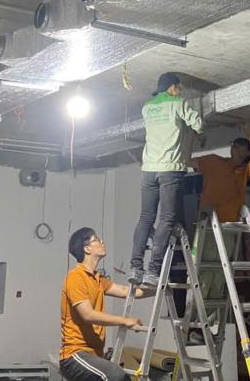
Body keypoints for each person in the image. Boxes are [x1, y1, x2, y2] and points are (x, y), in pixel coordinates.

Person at [186, 122, 250, 339]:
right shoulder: (213, 161)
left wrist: (248, 131)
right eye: (233, 145)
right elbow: (186, 161)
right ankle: (192, 324)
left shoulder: (243, 172)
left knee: (220, 277)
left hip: (228, 229)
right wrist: (190, 137)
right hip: (207, 226)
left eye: (239, 146)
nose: (234, 148)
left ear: (246, 152)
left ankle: (203, 326)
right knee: (202, 275)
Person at [129, 72, 205, 287]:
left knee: (145, 217)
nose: (179, 92)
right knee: (166, 219)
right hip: (170, 170)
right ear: (172, 87)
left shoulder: (147, 108)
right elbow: (198, 125)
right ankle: (153, 270)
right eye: (178, 88)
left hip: (149, 169)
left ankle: (136, 267)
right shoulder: (177, 103)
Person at [60, 227, 154, 381]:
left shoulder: (97, 279)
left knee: (125, 379)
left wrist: (159, 288)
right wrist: (125, 321)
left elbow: (126, 291)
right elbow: (87, 315)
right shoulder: (75, 277)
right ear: (87, 249)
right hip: (74, 355)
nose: (102, 242)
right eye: (96, 239)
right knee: (115, 374)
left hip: (94, 355)